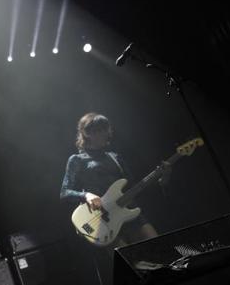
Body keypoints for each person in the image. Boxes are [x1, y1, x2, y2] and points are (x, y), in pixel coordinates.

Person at [60, 112, 160, 285]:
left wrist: (160, 177)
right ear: (87, 133)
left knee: (159, 251)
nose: (107, 133)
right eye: (100, 130)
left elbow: (135, 187)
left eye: (106, 129)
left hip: (130, 214)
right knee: (136, 269)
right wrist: (86, 195)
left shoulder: (115, 157)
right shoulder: (77, 160)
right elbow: (65, 192)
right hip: (103, 221)